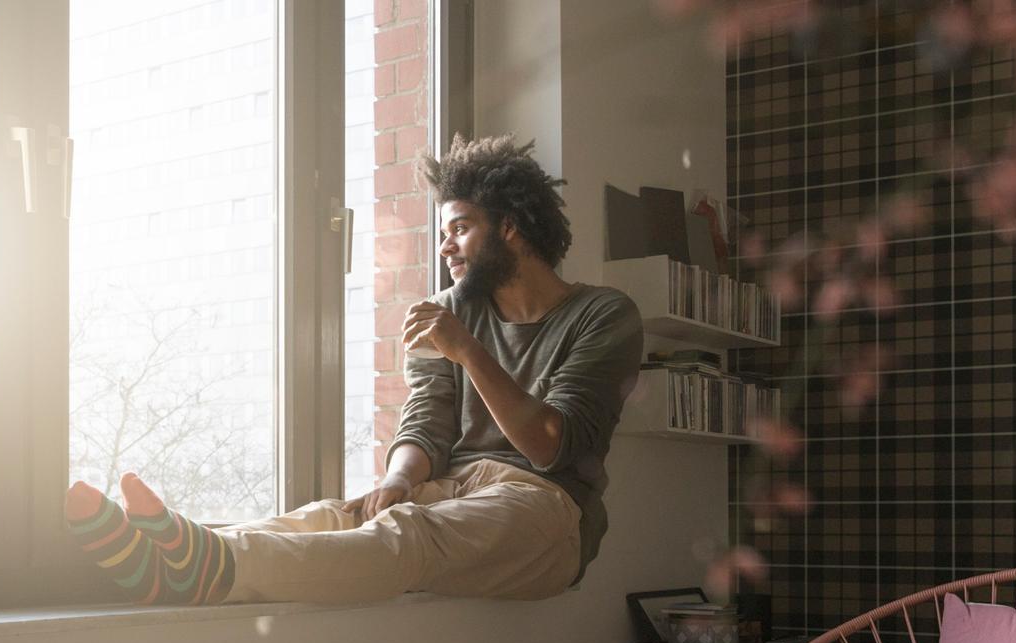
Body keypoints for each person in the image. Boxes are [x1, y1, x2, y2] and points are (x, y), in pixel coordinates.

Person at [63, 134, 643, 605]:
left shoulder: (602, 313)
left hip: (547, 510)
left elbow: (550, 445)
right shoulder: (448, 311)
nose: (445, 248)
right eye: (442, 233)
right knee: (337, 516)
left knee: (406, 535)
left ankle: (212, 569)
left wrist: (468, 351)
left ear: (511, 227)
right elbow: (427, 422)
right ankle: (164, 555)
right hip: (458, 488)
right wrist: (398, 478)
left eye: (460, 228)